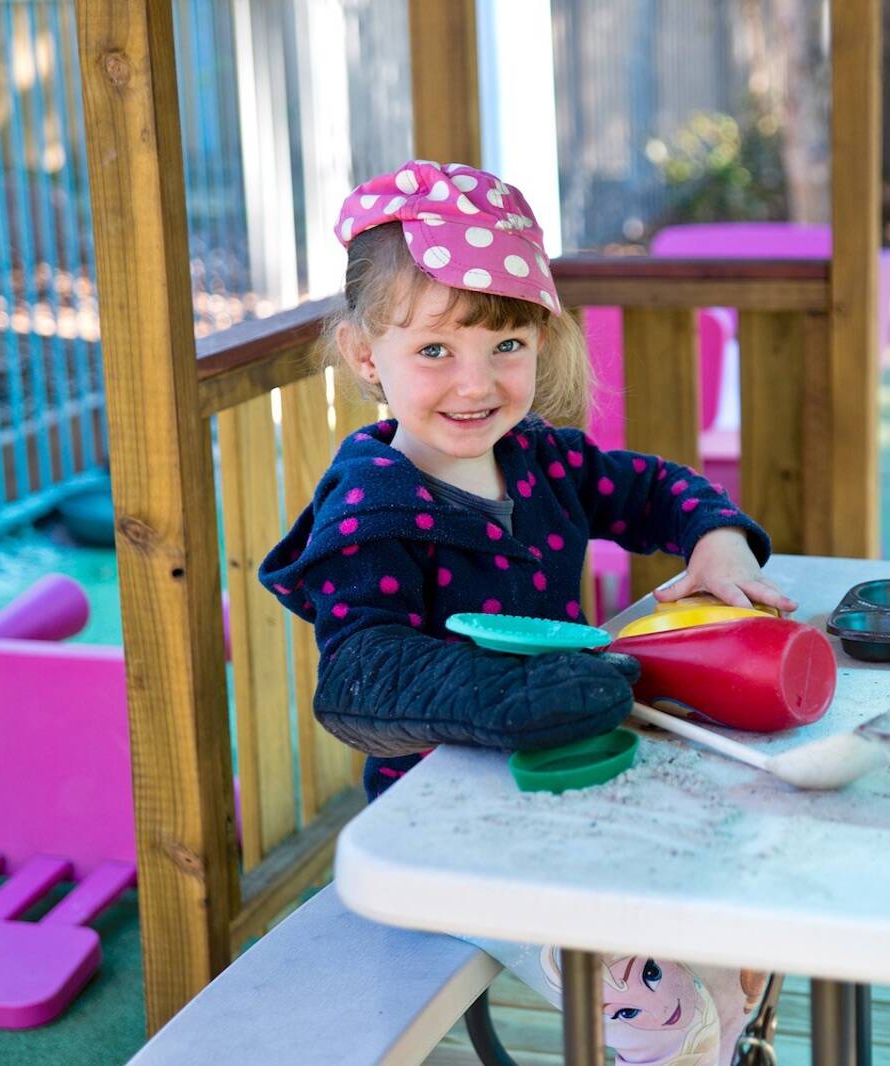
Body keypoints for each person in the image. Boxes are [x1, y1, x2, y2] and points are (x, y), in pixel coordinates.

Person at [259, 159, 787, 1064]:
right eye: (435, 351)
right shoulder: (369, 507)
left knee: (750, 913)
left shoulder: (540, 457)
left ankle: (735, 1027)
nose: (476, 384)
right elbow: (362, 674)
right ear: (363, 356)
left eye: (506, 345)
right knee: (670, 1023)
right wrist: (520, 695)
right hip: (453, 833)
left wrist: (716, 536)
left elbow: (653, 489)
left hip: (586, 781)